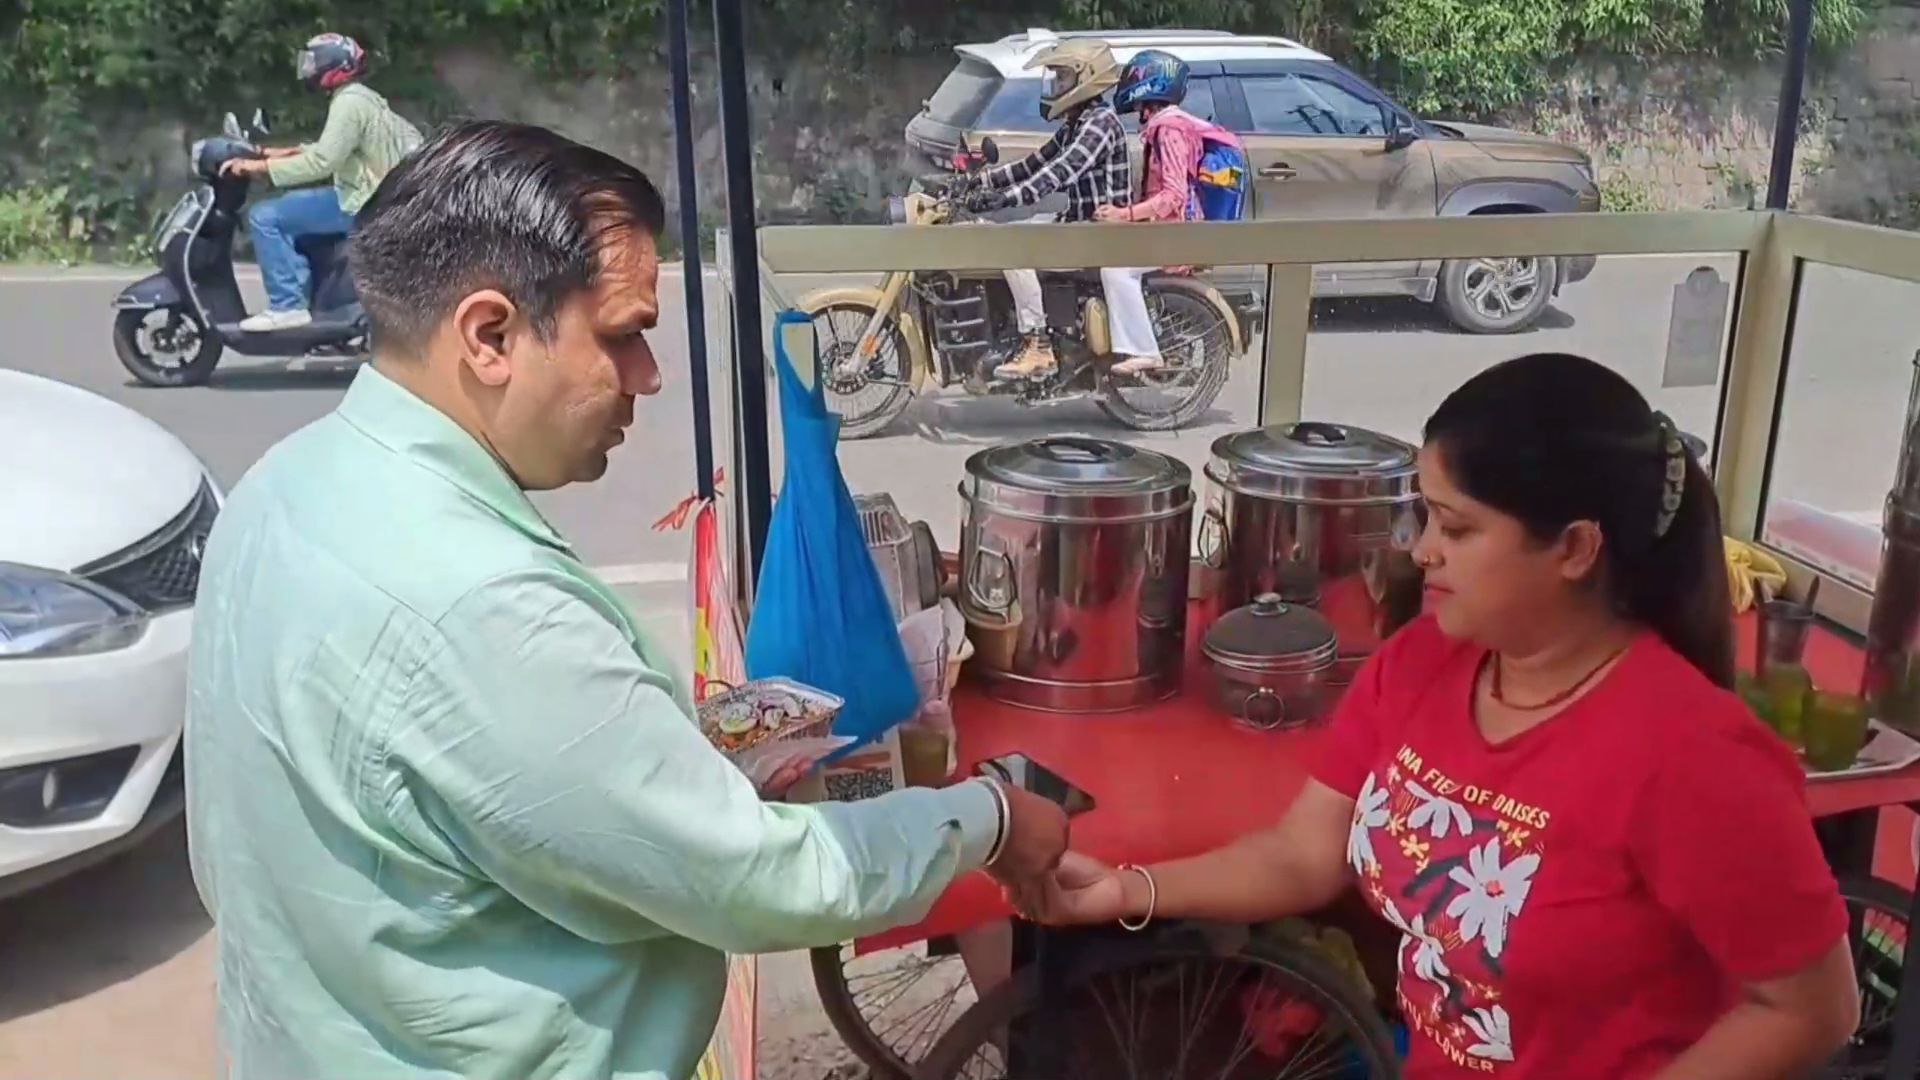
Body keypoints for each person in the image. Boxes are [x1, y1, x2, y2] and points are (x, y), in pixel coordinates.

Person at [185, 120, 1069, 1079]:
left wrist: (677, 756)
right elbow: (756, 875)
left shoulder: (287, 483)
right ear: (490, 335)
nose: (649, 378)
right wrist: (991, 817)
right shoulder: (482, 602)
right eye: (623, 337)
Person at [1013, 353, 1860, 1078]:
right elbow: (1304, 854)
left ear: (1574, 549)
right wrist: (1125, 890)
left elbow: (1810, 1009)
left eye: (1455, 527)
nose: (1422, 551)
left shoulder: (1692, 754)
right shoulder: (1423, 665)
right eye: (1425, 516)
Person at [220, 32, 423, 332]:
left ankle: (287, 305)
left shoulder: (348, 104)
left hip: (363, 203)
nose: (309, 68)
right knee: (289, 208)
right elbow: (335, 148)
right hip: (378, 197)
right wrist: (278, 152)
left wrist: (259, 168)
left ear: (334, 64)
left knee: (265, 216)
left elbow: (323, 162)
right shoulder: (360, 97)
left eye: (314, 61)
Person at [964, 40, 1134, 381]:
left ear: (1087, 78)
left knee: (1014, 248)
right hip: (1079, 224)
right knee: (1005, 232)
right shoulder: (1077, 122)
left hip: (1101, 233)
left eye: (1062, 78)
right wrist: (980, 180)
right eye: (1055, 78)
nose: (1055, 86)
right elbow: (1035, 162)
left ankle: (1037, 345)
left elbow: (1061, 171)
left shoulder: (1100, 123)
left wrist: (1007, 198)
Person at [1096, 49, 1245, 377]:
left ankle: (1145, 350)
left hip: (1176, 235)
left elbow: (1173, 195)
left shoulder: (1171, 129)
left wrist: (1125, 215)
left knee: (1116, 271)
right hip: (1166, 231)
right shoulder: (1168, 125)